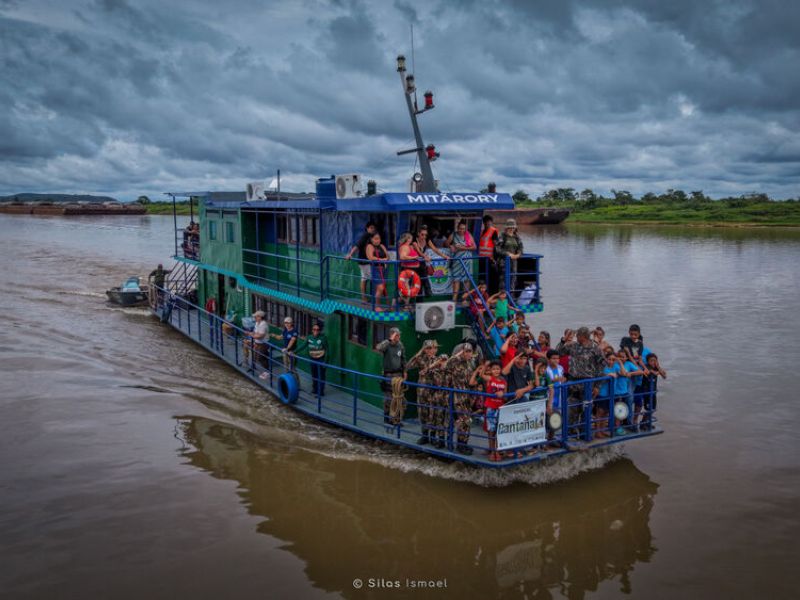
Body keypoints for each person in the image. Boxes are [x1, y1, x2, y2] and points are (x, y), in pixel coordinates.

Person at [556, 327, 606, 434]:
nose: (576, 337)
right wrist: (563, 340)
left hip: (588, 383)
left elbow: (602, 366)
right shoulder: (573, 346)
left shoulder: (595, 348)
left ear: (583, 336)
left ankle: (585, 433)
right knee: (571, 408)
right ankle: (570, 432)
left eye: (577, 335)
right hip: (573, 382)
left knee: (586, 409)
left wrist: (598, 386)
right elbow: (558, 353)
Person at [445, 345, 478, 455]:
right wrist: (459, 354)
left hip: (467, 397)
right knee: (462, 421)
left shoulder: (470, 364)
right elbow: (447, 364)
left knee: (467, 422)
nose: (468, 353)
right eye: (466, 351)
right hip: (457, 398)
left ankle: (463, 444)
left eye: (470, 351)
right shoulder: (455, 362)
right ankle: (460, 446)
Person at [406, 339, 440, 445]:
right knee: (423, 413)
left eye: (434, 348)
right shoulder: (420, 359)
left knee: (434, 414)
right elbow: (408, 366)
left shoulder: (438, 360)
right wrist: (419, 353)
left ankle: (433, 437)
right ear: (424, 349)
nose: (432, 350)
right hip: (422, 391)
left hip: (434, 392)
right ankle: (425, 436)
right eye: (429, 348)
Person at [471, 361, 506, 461]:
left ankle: (497, 450)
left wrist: (502, 394)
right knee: (491, 430)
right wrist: (485, 365)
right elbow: (481, 375)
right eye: (494, 369)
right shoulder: (490, 378)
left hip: (500, 407)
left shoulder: (504, 381)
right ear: (491, 370)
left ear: (500, 370)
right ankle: (492, 451)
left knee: (498, 430)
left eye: (498, 369)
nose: (496, 371)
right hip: (490, 408)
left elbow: (505, 395)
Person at [376, 328, 407, 426]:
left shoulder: (400, 345)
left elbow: (403, 358)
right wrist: (389, 340)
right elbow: (379, 348)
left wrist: (405, 371)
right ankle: (387, 417)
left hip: (398, 375)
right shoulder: (386, 345)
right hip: (388, 375)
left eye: (399, 335)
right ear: (392, 335)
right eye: (396, 335)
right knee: (389, 398)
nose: (399, 337)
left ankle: (396, 419)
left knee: (398, 398)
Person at [345, 221, 378, 304]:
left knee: (365, 278)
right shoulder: (365, 236)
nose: (373, 229)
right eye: (371, 228)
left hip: (367, 261)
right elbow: (357, 245)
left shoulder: (372, 236)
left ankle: (366, 298)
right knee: (367, 279)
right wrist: (350, 254)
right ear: (367, 228)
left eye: (374, 228)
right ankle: (366, 298)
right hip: (364, 261)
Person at [412, 224, 448, 297]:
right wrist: (425, 257)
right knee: (417, 282)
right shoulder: (414, 241)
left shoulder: (427, 240)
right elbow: (419, 252)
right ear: (418, 233)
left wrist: (444, 256)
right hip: (415, 265)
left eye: (425, 235)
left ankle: (425, 296)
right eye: (422, 234)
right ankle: (418, 299)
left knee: (424, 281)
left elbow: (435, 249)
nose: (424, 237)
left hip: (422, 264)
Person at [447, 219, 476, 302]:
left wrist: (463, 248)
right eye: (460, 228)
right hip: (457, 261)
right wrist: (450, 246)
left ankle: (464, 299)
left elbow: (474, 247)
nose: (461, 230)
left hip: (467, 260)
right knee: (456, 279)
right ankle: (454, 299)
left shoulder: (468, 235)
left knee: (466, 279)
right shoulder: (453, 235)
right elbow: (446, 243)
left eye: (463, 229)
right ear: (457, 228)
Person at [296, 322, 328, 396]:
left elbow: (327, 350)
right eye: (314, 329)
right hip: (312, 358)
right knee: (314, 374)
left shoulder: (323, 338)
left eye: (317, 330)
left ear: (320, 331)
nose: (315, 331)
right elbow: (303, 345)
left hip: (321, 359)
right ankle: (315, 389)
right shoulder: (309, 337)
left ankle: (321, 391)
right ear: (312, 330)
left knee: (321, 375)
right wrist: (294, 352)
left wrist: (325, 361)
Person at [495, 218, 524, 295]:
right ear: (506, 228)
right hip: (503, 262)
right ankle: (502, 298)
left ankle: (511, 297)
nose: (511, 229)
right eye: (510, 227)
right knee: (503, 280)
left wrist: (518, 254)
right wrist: (508, 254)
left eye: (513, 227)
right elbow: (498, 249)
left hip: (514, 262)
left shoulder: (517, 237)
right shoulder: (502, 236)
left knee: (513, 279)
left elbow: (521, 248)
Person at [639, 353, 666, 430]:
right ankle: (643, 423)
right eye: (651, 360)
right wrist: (654, 371)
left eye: (655, 360)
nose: (653, 362)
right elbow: (650, 372)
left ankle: (647, 422)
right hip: (646, 392)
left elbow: (664, 376)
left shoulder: (656, 367)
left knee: (653, 408)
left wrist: (658, 367)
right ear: (648, 361)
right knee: (648, 408)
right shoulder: (646, 367)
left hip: (653, 391)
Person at [397, 232, 422, 309]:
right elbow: (402, 257)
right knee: (407, 289)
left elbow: (420, 251)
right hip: (408, 270)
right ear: (408, 239)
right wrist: (414, 258)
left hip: (412, 270)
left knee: (408, 288)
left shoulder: (408, 246)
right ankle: (406, 306)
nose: (412, 239)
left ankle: (404, 304)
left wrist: (417, 246)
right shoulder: (405, 247)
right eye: (411, 238)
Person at [365, 232, 389, 310]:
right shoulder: (369, 246)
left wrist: (385, 259)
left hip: (384, 268)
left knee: (383, 287)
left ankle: (383, 305)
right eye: (375, 239)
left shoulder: (382, 246)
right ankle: (377, 306)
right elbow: (371, 257)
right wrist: (382, 259)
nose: (377, 240)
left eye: (378, 239)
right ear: (371, 239)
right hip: (375, 269)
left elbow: (387, 256)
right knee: (380, 288)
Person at [478, 215, 500, 294]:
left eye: (489, 223)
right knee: (482, 277)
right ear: (484, 223)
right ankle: (483, 293)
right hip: (481, 259)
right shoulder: (481, 232)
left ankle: (492, 294)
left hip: (490, 259)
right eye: (486, 223)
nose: (488, 224)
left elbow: (496, 245)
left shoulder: (493, 231)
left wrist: (495, 258)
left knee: (492, 277)